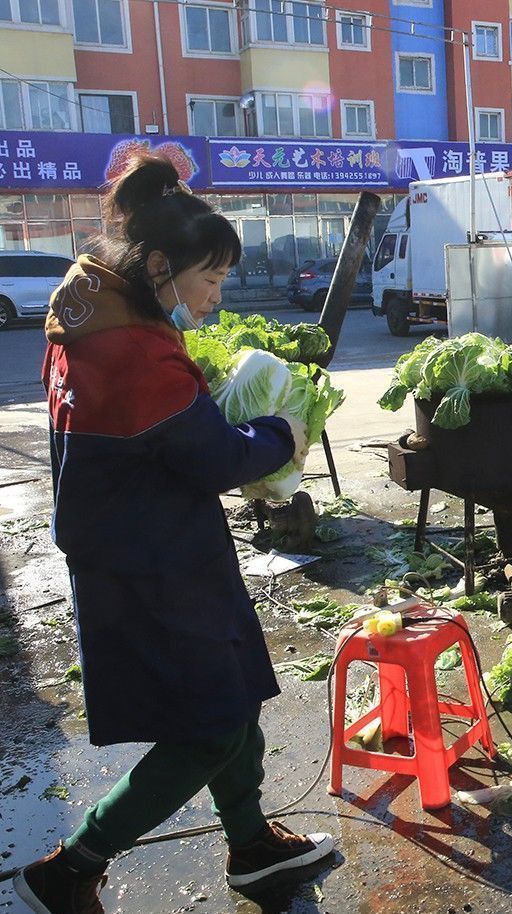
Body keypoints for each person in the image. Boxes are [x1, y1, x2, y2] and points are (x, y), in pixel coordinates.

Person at [15, 154, 335, 914]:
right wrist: (282, 433)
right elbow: (211, 456)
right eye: (211, 281)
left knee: (234, 699)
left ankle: (252, 844)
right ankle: (72, 866)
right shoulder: (131, 347)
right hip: (150, 560)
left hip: (149, 540)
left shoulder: (93, 311)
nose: (216, 302)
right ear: (159, 264)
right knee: (211, 724)